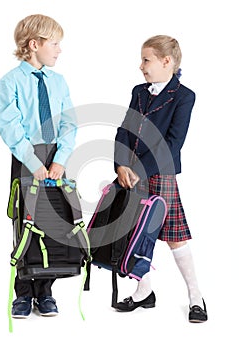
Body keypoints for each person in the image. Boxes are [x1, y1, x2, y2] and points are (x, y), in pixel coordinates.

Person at [114, 35, 207, 323]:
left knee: (175, 237)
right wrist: (119, 165)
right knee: (138, 234)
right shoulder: (139, 92)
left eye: (146, 59)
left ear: (167, 62)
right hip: (130, 172)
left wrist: (138, 170)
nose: (141, 65)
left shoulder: (183, 96)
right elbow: (124, 130)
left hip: (159, 172)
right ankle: (144, 291)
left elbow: (172, 144)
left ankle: (196, 297)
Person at [0, 14, 77, 318]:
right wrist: (33, 161)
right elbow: (10, 126)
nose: (59, 49)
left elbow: (69, 122)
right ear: (34, 44)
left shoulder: (59, 82)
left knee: (55, 223)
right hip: (27, 158)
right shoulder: (10, 83)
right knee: (26, 222)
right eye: (54, 43)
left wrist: (61, 159)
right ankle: (24, 292)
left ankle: (47, 291)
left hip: (56, 159)